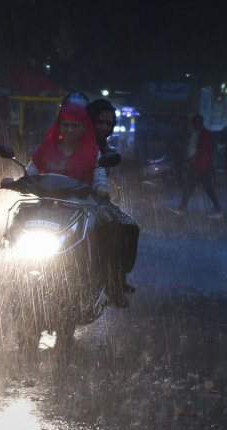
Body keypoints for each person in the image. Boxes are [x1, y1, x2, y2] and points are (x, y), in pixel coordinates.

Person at [26, 102, 133, 307]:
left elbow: (99, 173)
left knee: (112, 228)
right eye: (66, 125)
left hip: (83, 206)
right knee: (18, 220)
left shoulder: (92, 152)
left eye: (75, 126)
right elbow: (31, 171)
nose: (70, 130)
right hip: (49, 205)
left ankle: (109, 279)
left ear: (83, 128)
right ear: (59, 126)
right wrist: (15, 182)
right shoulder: (46, 150)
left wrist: (102, 187)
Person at [86, 99, 140, 294]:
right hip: (62, 198)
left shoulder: (104, 149)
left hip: (92, 201)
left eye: (109, 124)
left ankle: (114, 276)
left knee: (128, 227)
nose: (104, 127)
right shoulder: (75, 141)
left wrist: (104, 188)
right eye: (99, 122)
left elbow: (102, 174)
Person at [169, 114, 222, 218]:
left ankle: (181, 208)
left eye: (194, 124)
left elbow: (201, 150)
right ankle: (217, 209)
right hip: (202, 166)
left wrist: (191, 160)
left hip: (200, 166)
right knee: (206, 189)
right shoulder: (202, 134)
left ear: (198, 123)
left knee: (190, 187)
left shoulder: (204, 135)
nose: (193, 126)